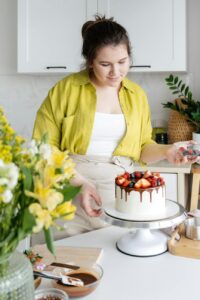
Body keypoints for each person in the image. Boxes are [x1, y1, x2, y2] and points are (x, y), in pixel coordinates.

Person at [32, 15, 198, 239]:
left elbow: (142, 148)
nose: (116, 72)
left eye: (122, 62)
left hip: (120, 197)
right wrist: (79, 183)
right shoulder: (65, 90)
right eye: (105, 64)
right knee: (69, 264)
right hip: (70, 189)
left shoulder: (136, 95)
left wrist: (167, 151)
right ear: (90, 61)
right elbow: (43, 147)